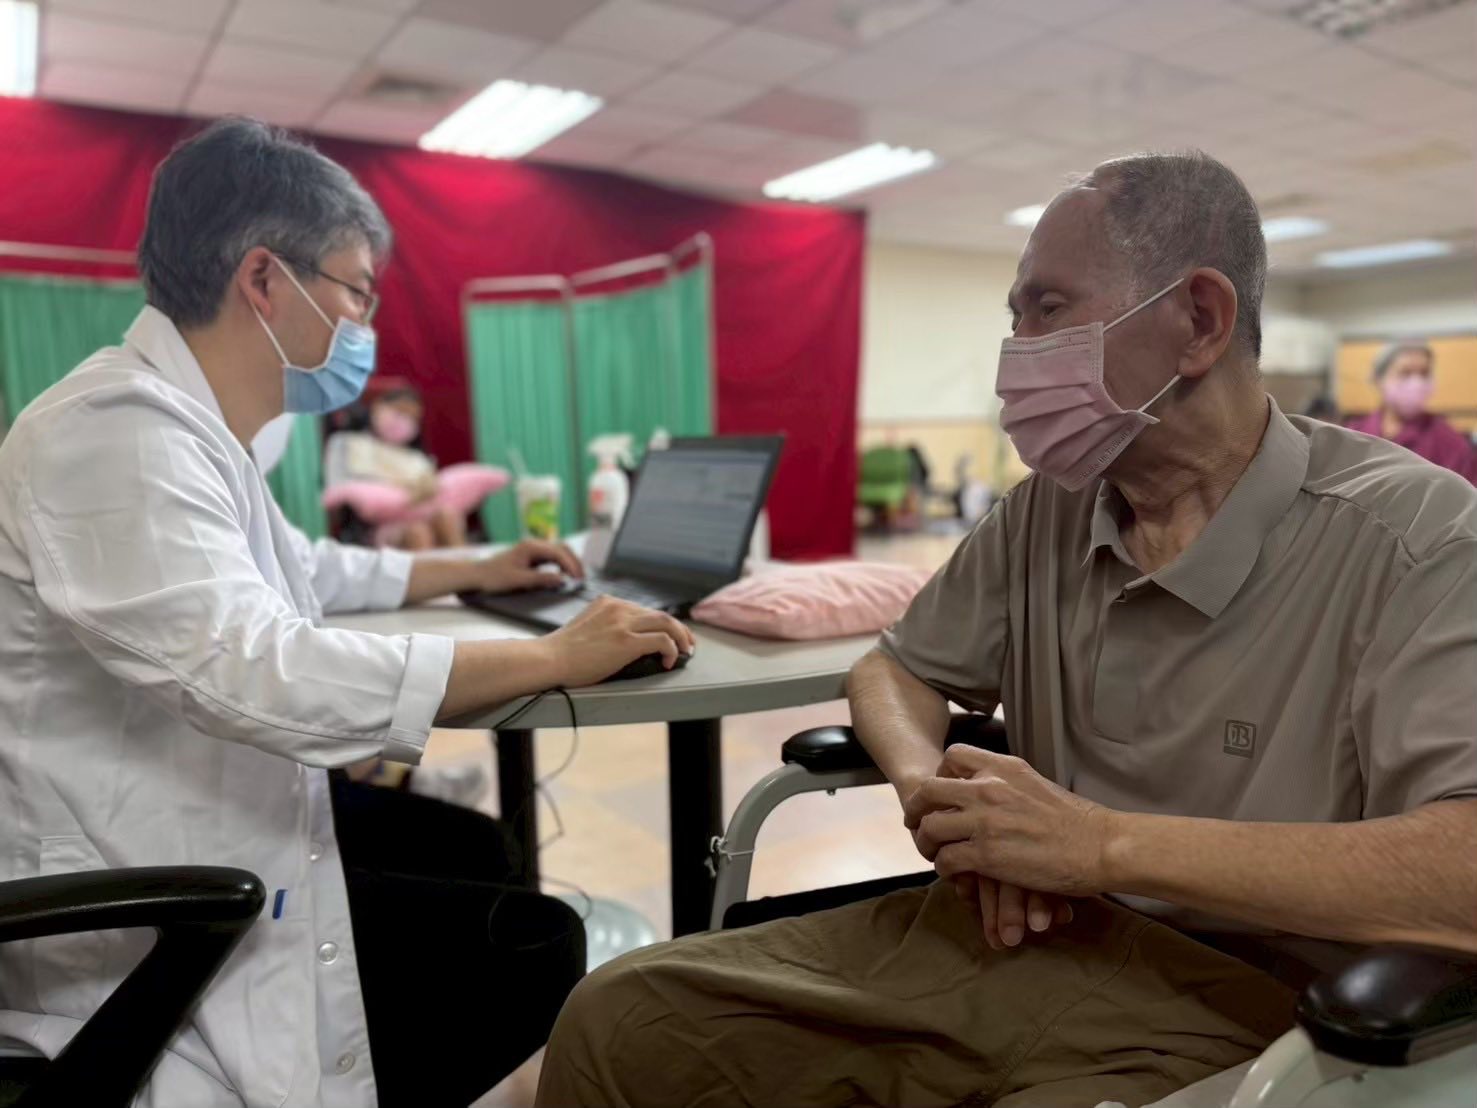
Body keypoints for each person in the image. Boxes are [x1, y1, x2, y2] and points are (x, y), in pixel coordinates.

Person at [535, 152, 1477, 1108]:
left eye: (1046, 310)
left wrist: (1098, 846)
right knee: (617, 1018)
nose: (1013, 357)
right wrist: (934, 794)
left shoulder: (1417, 541)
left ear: (1198, 320)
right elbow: (892, 670)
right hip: (1015, 936)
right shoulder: (1048, 511)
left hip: (1249, 1008)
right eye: (1013, 317)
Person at [0, 118, 695, 1108]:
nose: (364, 324)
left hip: (197, 807)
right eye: (356, 291)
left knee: (474, 851)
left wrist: (472, 565)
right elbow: (250, 664)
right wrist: (551, 657)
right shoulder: (113, 431)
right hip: (141, 879)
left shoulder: (195, 431)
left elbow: (307, 571)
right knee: (533, 942)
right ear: (264, 279)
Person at [1345, 341, 1477, 481]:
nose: (1416, 383)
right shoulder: (1353, 436)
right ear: (1379, 379)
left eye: (1424, 373)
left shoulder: (1449, 441)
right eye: (1405, 372)